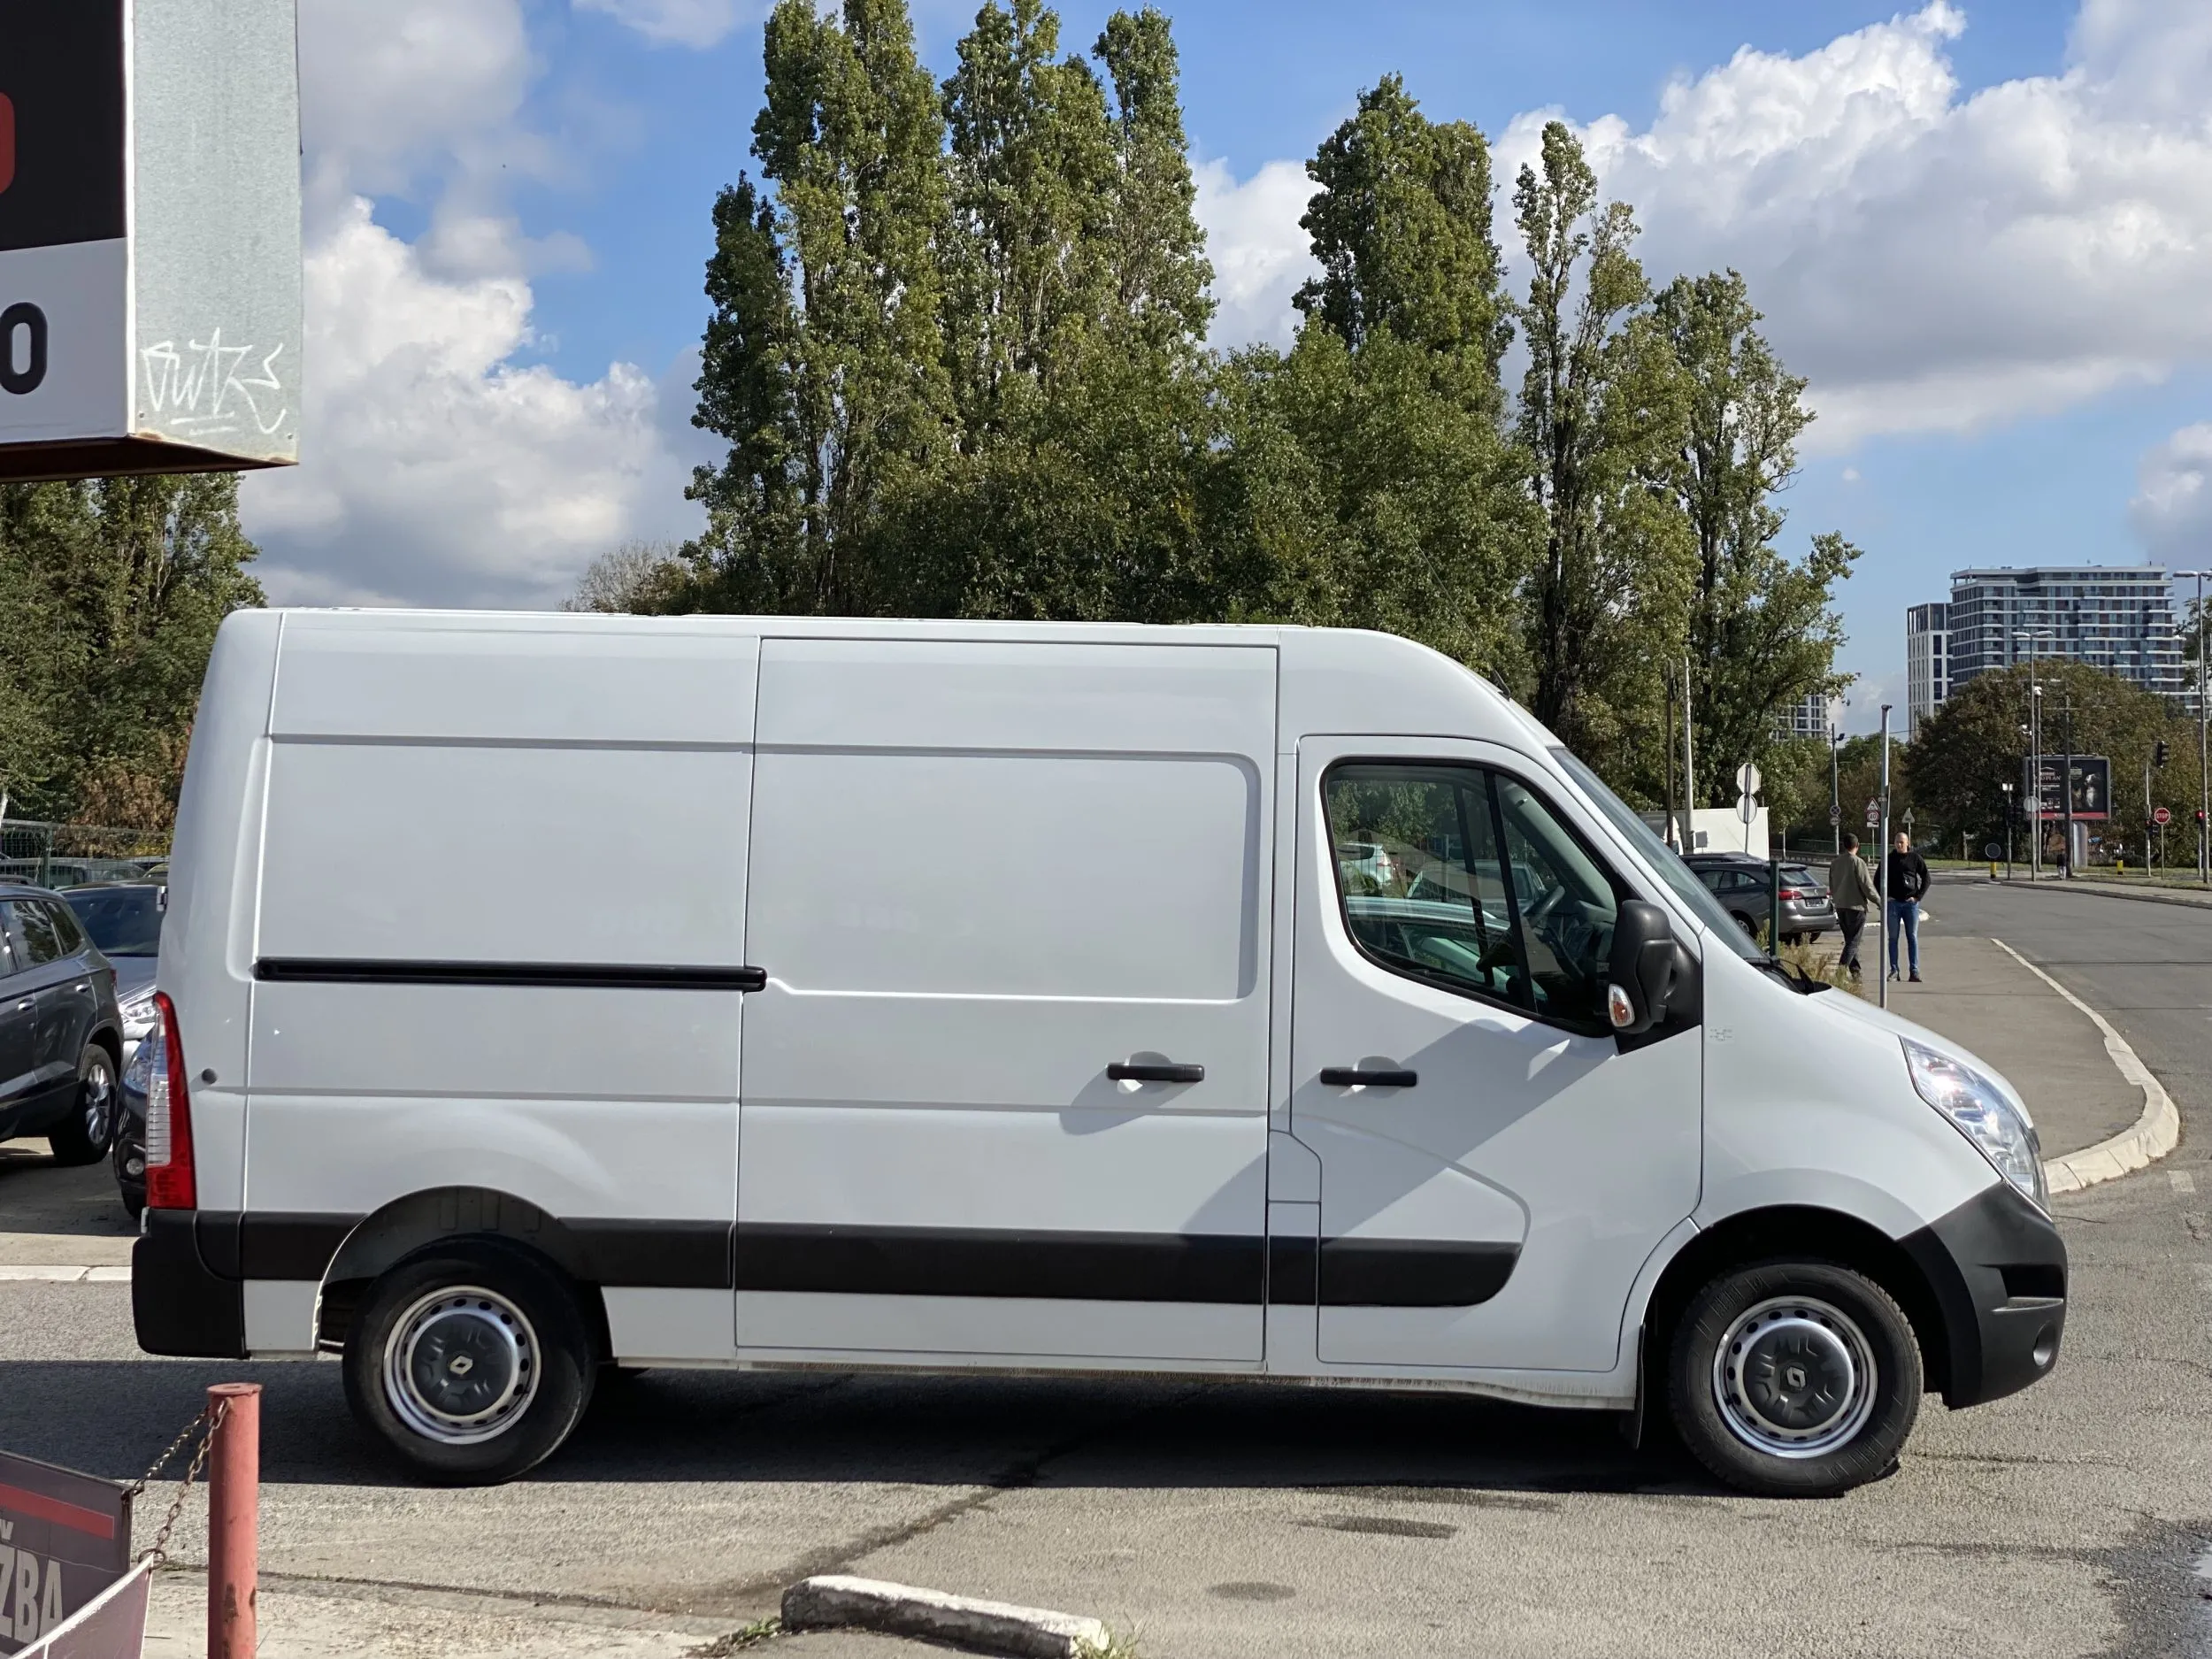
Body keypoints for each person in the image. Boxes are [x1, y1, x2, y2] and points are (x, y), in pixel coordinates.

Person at [1826, 833, 1877, 980]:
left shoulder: (1835, 863)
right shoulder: (1857, 862)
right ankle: (1840, 973)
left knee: (1850, 940)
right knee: (1854, 941)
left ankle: (1855, 972)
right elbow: (1867, 886)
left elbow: (1831, 884)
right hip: (1856, 907)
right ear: (1857, 846)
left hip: (1841, 906)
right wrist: (1880, 902)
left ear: (1843, 845)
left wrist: (1836, 899)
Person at [1882, 831, 1930, 983]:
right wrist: (1886, 897)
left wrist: (1917, 897)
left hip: (1910, 905)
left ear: (1908, 843)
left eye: (1902, 842)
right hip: (1893, 904)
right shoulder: (1889, 859)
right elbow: (1878, 879)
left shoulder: (1915, 858)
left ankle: (1914, 971)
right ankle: (1894, 970)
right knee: (1893, 938)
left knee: (1912, 938)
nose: (1899, 845)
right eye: (1897, 842)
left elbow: (1926, 878)